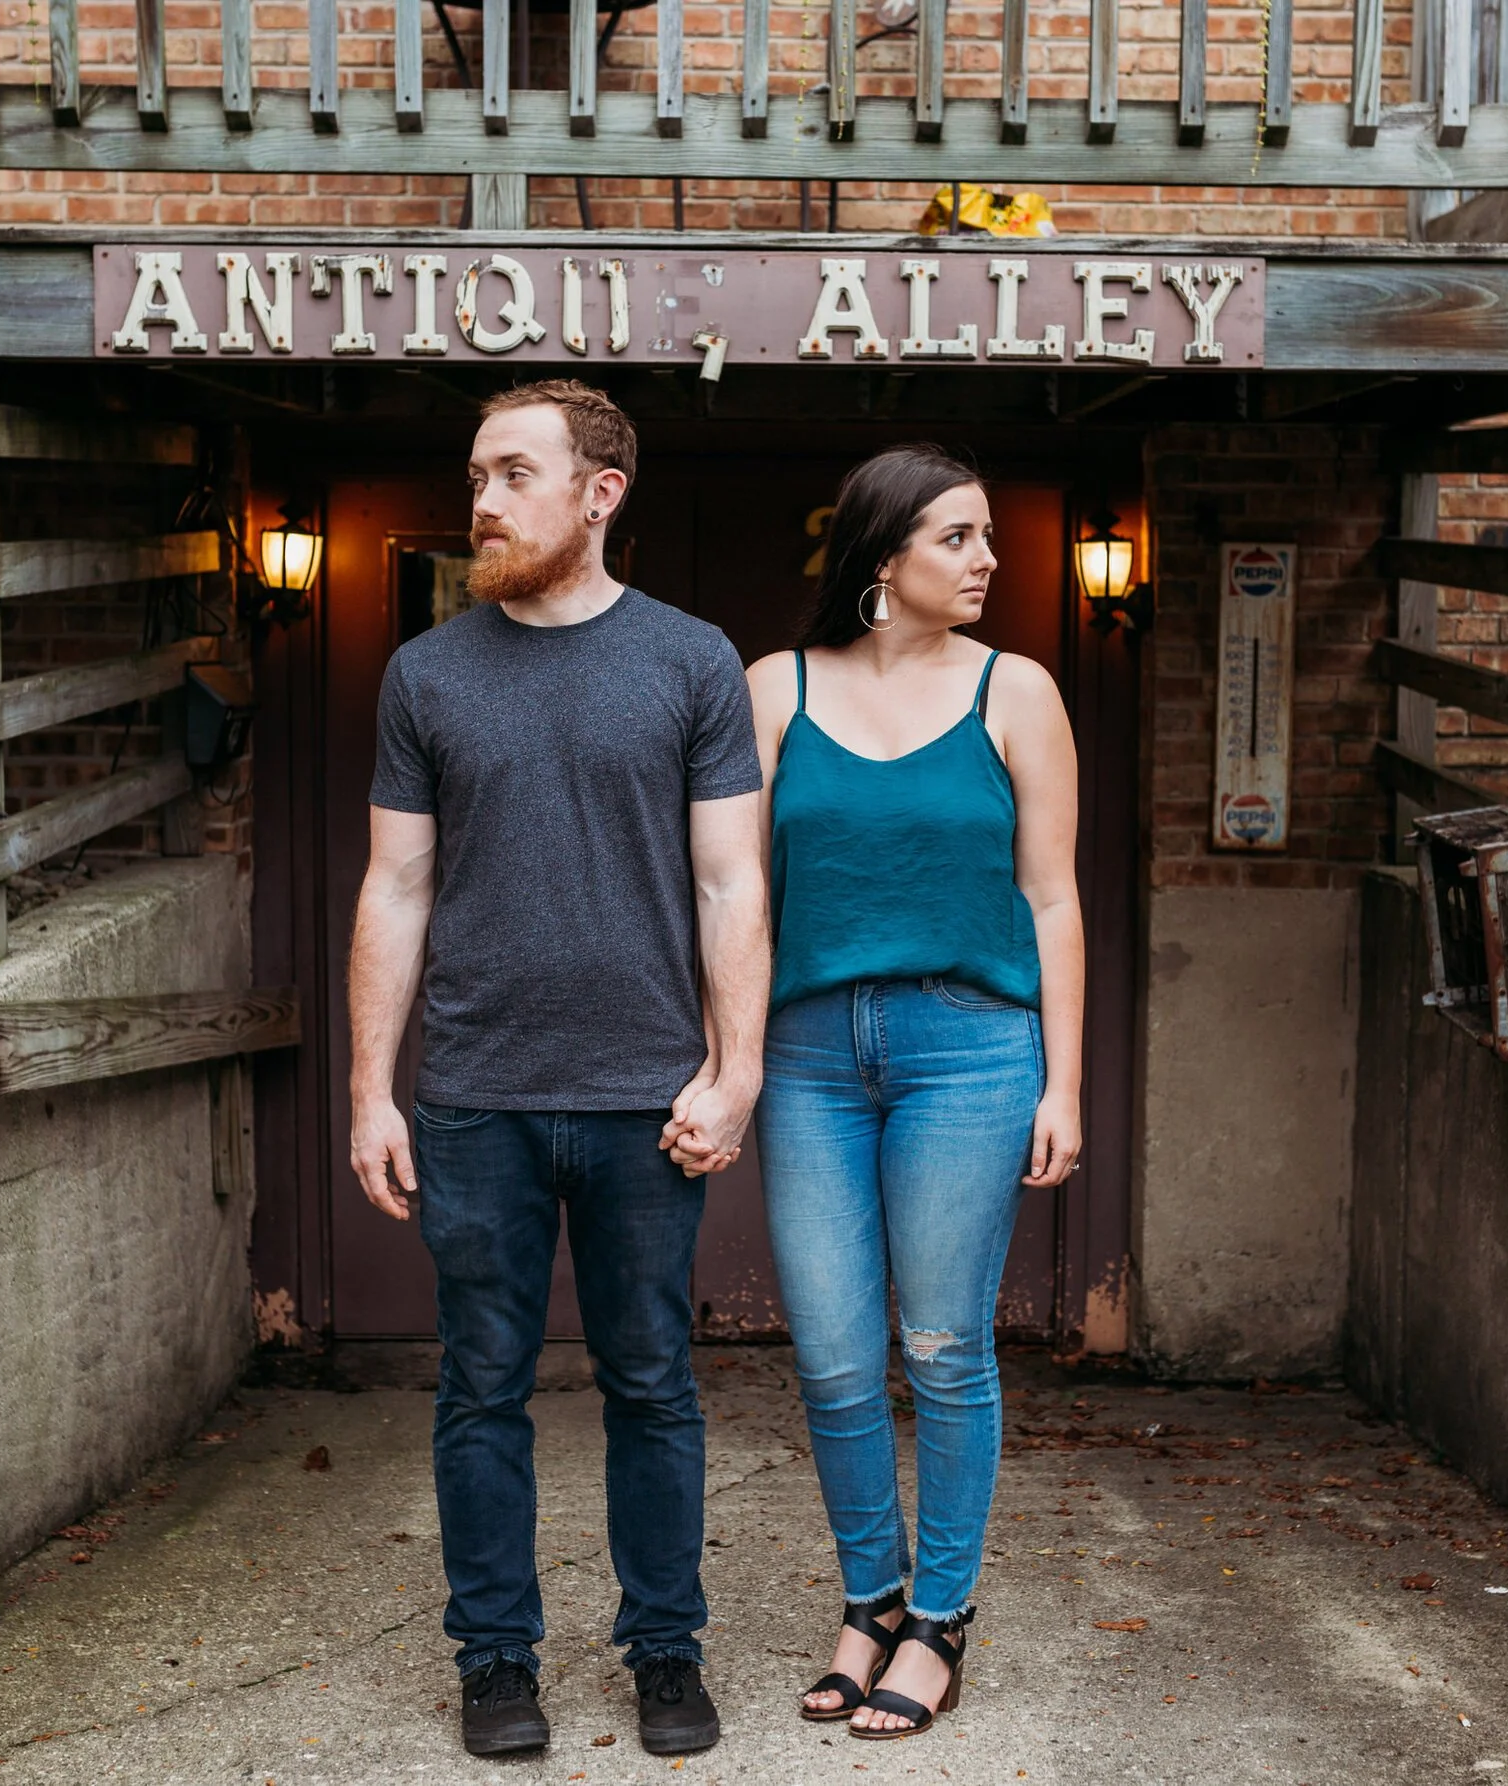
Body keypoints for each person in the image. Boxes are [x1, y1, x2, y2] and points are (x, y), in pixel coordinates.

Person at [346, 379, 770, 1760]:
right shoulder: (428, 675)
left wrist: (735, 1069)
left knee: (652, 1380)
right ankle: (495, 1659)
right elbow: (395, 892)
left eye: (514, 473)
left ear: (600, 493)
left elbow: (730, 884)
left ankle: (664, 1650)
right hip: (475, 1096)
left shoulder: (693, 661)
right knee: (482, 1384)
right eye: (475, 472)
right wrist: (372, 1088)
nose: (482, 499)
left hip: (646, 1097)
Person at [735, 445, 1085, 1741]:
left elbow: (1053, 896)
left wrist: (1067, 1080)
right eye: (957, 537)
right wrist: (730, 1056)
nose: (987, 558)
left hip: (969, 1048)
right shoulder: (775, 688)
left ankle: (939, 1620)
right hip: (812, 1056)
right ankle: (868, 1601)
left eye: (986, 534)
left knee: (942, 1347)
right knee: (832, 1357)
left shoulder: (1018, 691)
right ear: (883, 559)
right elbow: (739, 895)